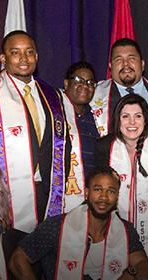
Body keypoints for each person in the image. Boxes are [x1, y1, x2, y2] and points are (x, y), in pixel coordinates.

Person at [0, 30, 70, 233]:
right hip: (5, 195)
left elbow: (63, 140)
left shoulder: (52, 95)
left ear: (36, 57)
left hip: (47, 194)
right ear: (3, 58)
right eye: (15, 52)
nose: (23, 58)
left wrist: (58, 181)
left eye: (29, 52)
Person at [9, 167, 148, 280]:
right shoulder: (57, 226)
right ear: (86, 193)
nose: (104, 197)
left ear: (117, 197)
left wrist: (130, 274)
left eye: (111, 191)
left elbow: (144, 265)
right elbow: (17, 260)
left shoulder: (125, 230)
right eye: (98, 189)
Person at [94, 94, 148, 274]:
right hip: (109, 227)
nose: (132, 122)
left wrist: (147, 248)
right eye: (125, 116)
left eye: (138, 116)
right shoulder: (104, 147)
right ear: (118, 120)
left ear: (145, 120)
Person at [90, 38, 148, 137]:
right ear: (110, 66)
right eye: (118, 60)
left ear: (142, 65)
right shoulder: (94, 94)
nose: (125, 64)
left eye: (131, 59)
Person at [61, 61, 98, 211]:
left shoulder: (95, 116)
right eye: (78, 80)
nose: (85, 86)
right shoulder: (54, 111)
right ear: (66, 83)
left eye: (90, 82)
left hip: (88, 198)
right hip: (60, 195)